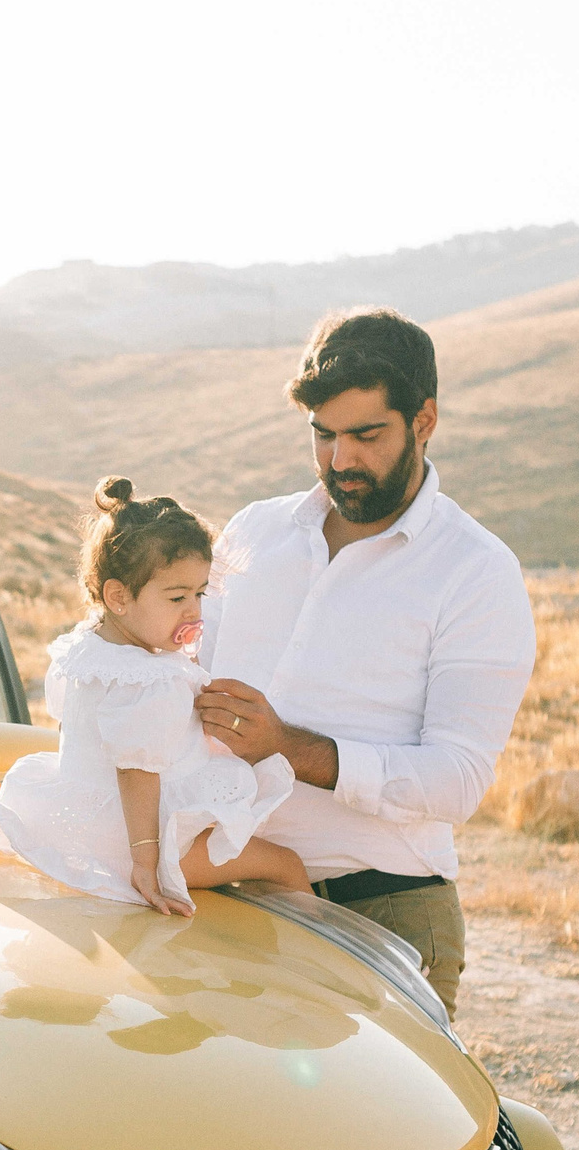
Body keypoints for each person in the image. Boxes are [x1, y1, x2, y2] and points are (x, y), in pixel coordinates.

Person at [193, 309, 535, 1015]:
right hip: (220, 894)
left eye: (366, 435)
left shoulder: (477, 572)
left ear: (425, 419)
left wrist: (291, 748)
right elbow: (186, 680)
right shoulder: (254, 531)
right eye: (323, 435)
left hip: (383, 916)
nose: (340, 459)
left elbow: (459, 778)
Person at [0, 478, 307, 916]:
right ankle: (328, 977)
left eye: (200, 593)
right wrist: (147, 865)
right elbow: (137, 771)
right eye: (177, 596)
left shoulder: (86, 648)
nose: (194, 611)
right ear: (119, 596)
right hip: (147, 842)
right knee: (285, 864)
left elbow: (71, 718)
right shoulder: (154, 679)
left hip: (79, 823)